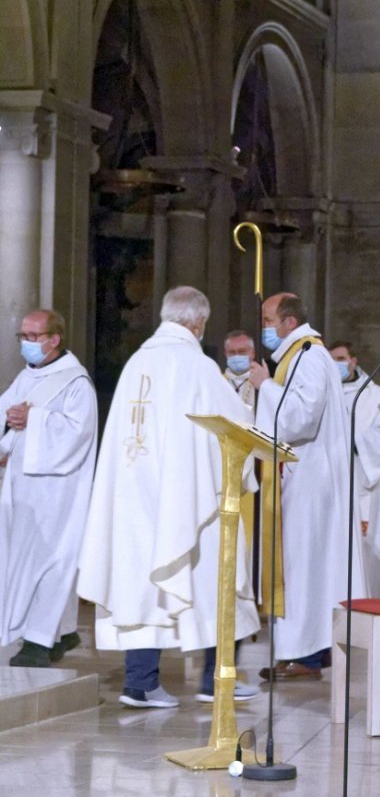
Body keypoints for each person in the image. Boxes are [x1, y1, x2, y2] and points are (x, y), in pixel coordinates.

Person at [78, 287, 260, 706]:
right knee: (216, 573)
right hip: (188, 498)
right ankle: (217, 678)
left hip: (133, 496)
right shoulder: (197, 367)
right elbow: (236, 428)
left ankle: (140, 682)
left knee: (141, 581)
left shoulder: (136, 363)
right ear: (198, 323)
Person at [249, 293, 355, 679]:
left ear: (289, 322)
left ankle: (304, 654)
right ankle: (306, 651)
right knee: (300, 566)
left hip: (308, 477)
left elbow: (301, 418)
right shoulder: (300, 354)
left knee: (301, 567)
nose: (264, 327)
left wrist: (266, 387)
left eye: (267, 319)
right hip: (303, 474)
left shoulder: (308, 356)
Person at [0, 309, 97, 667]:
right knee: (24, 560)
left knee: (52, 560)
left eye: (33, 337)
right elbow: (5, 414)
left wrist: (34, 420)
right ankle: (62, 632)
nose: (26, 343)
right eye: (22, 336)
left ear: (54, 339)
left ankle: (39, 642)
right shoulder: (28, 376)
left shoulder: (75, 383)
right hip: (24, 489)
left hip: (57, 490)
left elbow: (77, 434)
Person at [329, 341, 380, 600]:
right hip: (335, 477)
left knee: (371, 549)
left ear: (353, 361)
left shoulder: (375, 394)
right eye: (331, 359)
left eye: (340, 358)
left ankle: (373, 599)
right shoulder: (325, 390)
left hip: (368, 478)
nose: (336, 364)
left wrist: (353, 443)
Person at [222, 329, 256, 414]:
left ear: (252, 353)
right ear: (225, 354)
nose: (236, 356)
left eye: (242, 351)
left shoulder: (261, 383)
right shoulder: (217, 381)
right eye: (232, 352)